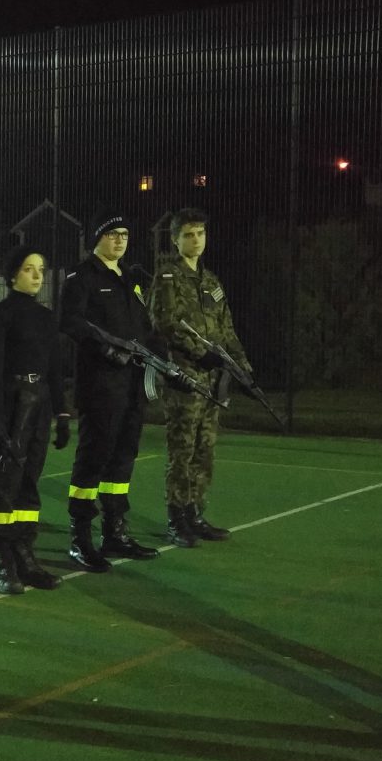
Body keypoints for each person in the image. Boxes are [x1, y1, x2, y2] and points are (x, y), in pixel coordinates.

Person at [59, 216, 161, 569]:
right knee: (93, 460)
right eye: (112, 234)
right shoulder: (82, 276)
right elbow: (70, 322)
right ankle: (81, 538)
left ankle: (115, 532)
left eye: (125, 234)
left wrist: (161, 358)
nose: (120, 240)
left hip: (133, 385)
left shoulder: (130, 278)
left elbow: (145, 328)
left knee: (122, 460)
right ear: (97, 238)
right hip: (101, 385)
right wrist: (106, 350)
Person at [148, 208, 248, 547]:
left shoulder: (211, 280)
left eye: (200, 233)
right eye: (189, 235)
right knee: (182, 449)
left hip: (213, 378)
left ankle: (196, 513)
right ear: (176, 240)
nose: (196, 240)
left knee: (205, 450)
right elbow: (165, 324)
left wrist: (241, 365)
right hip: (185, 377)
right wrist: (198, 352)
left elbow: (226, 327)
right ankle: (177, 518)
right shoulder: (168, 277)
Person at [0, 245, 69, 594]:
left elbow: (55, 369)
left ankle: (25, 556)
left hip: (40, 404)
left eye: (41, 270)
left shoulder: (45, 317)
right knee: (5, 486)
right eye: (29, 269)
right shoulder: (1, 314)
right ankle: (4, 562)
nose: (37, 276)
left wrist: (62, 413)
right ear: (13, 274)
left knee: (29, 483)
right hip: (12, 404)